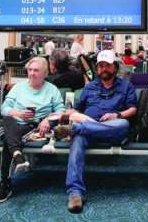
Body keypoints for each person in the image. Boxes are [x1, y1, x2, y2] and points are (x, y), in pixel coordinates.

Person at [53, 50, 138, 213]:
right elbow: (77, 110)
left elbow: (133, 109)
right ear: (97, 68)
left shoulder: (126, 86)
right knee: (77, 140)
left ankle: (74, 129)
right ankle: (75, 192)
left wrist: (117, 114)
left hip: (113, 131)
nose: (103, 69)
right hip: (88, 132)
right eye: (100, 66)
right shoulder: (90, 87)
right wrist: (69, 113)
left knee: (122, 124)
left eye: (107, 65)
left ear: (115, 67)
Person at [0, 56, 65, 204]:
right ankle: (17, 156)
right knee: (8, 120)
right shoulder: (18, 88)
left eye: (36, 70)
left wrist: (47, 120)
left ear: (45, 73)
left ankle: (5, 183)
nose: (31, 73)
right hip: (14, 124)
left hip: (35, 127)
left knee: (8, 140)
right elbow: (4, 108)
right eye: (30, 70)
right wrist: (18, 113)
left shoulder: (52, 90)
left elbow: (61, 110)